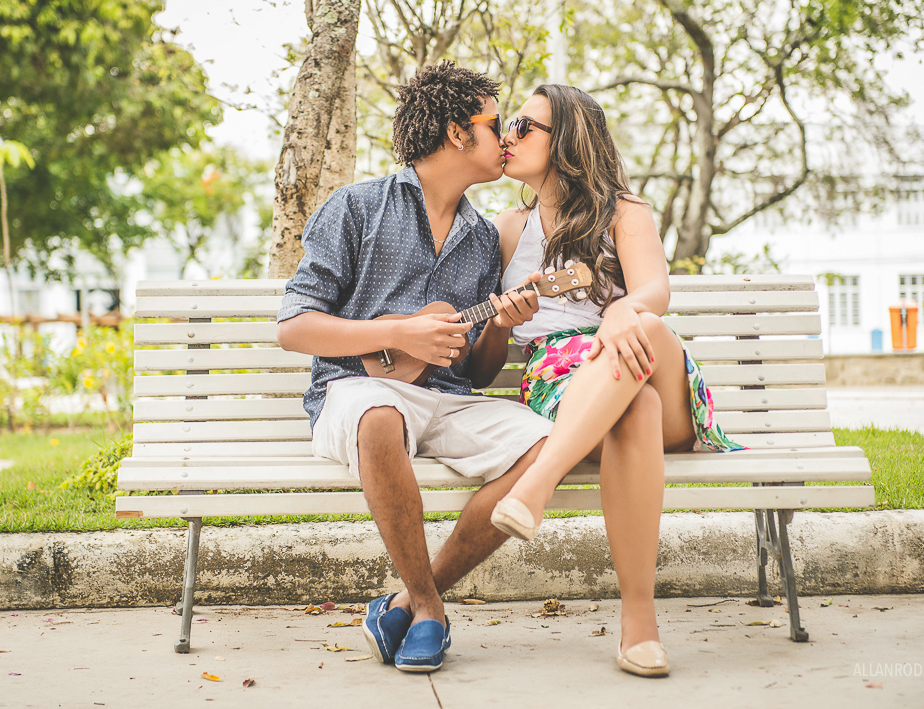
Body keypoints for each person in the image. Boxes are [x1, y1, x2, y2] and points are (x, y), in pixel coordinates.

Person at [275, 62, 553, 674]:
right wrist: (397, 333)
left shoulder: (482, 238)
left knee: (546, 448)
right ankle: (429, 608)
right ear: (457, 132)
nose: (506, 135)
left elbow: (476, 374)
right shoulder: (357, 207)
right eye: (495, 123)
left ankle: (407, 597)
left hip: (446, 401)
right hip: (354, 391)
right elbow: (293, 326)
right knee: (379, 413)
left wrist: (501, 323)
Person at [487, 84, 748, 678]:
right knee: (636, 408)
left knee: (644, 326)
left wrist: (620, 311)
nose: (508, 136)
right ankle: (639, 627)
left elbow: (655, 290)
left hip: (649, 359)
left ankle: (537, 484)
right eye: (508, 125)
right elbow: (484, 344)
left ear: (566, 140)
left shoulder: (624, 212)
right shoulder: (508, 228)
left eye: (524, 126)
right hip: (567, 385)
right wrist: (502, 323)